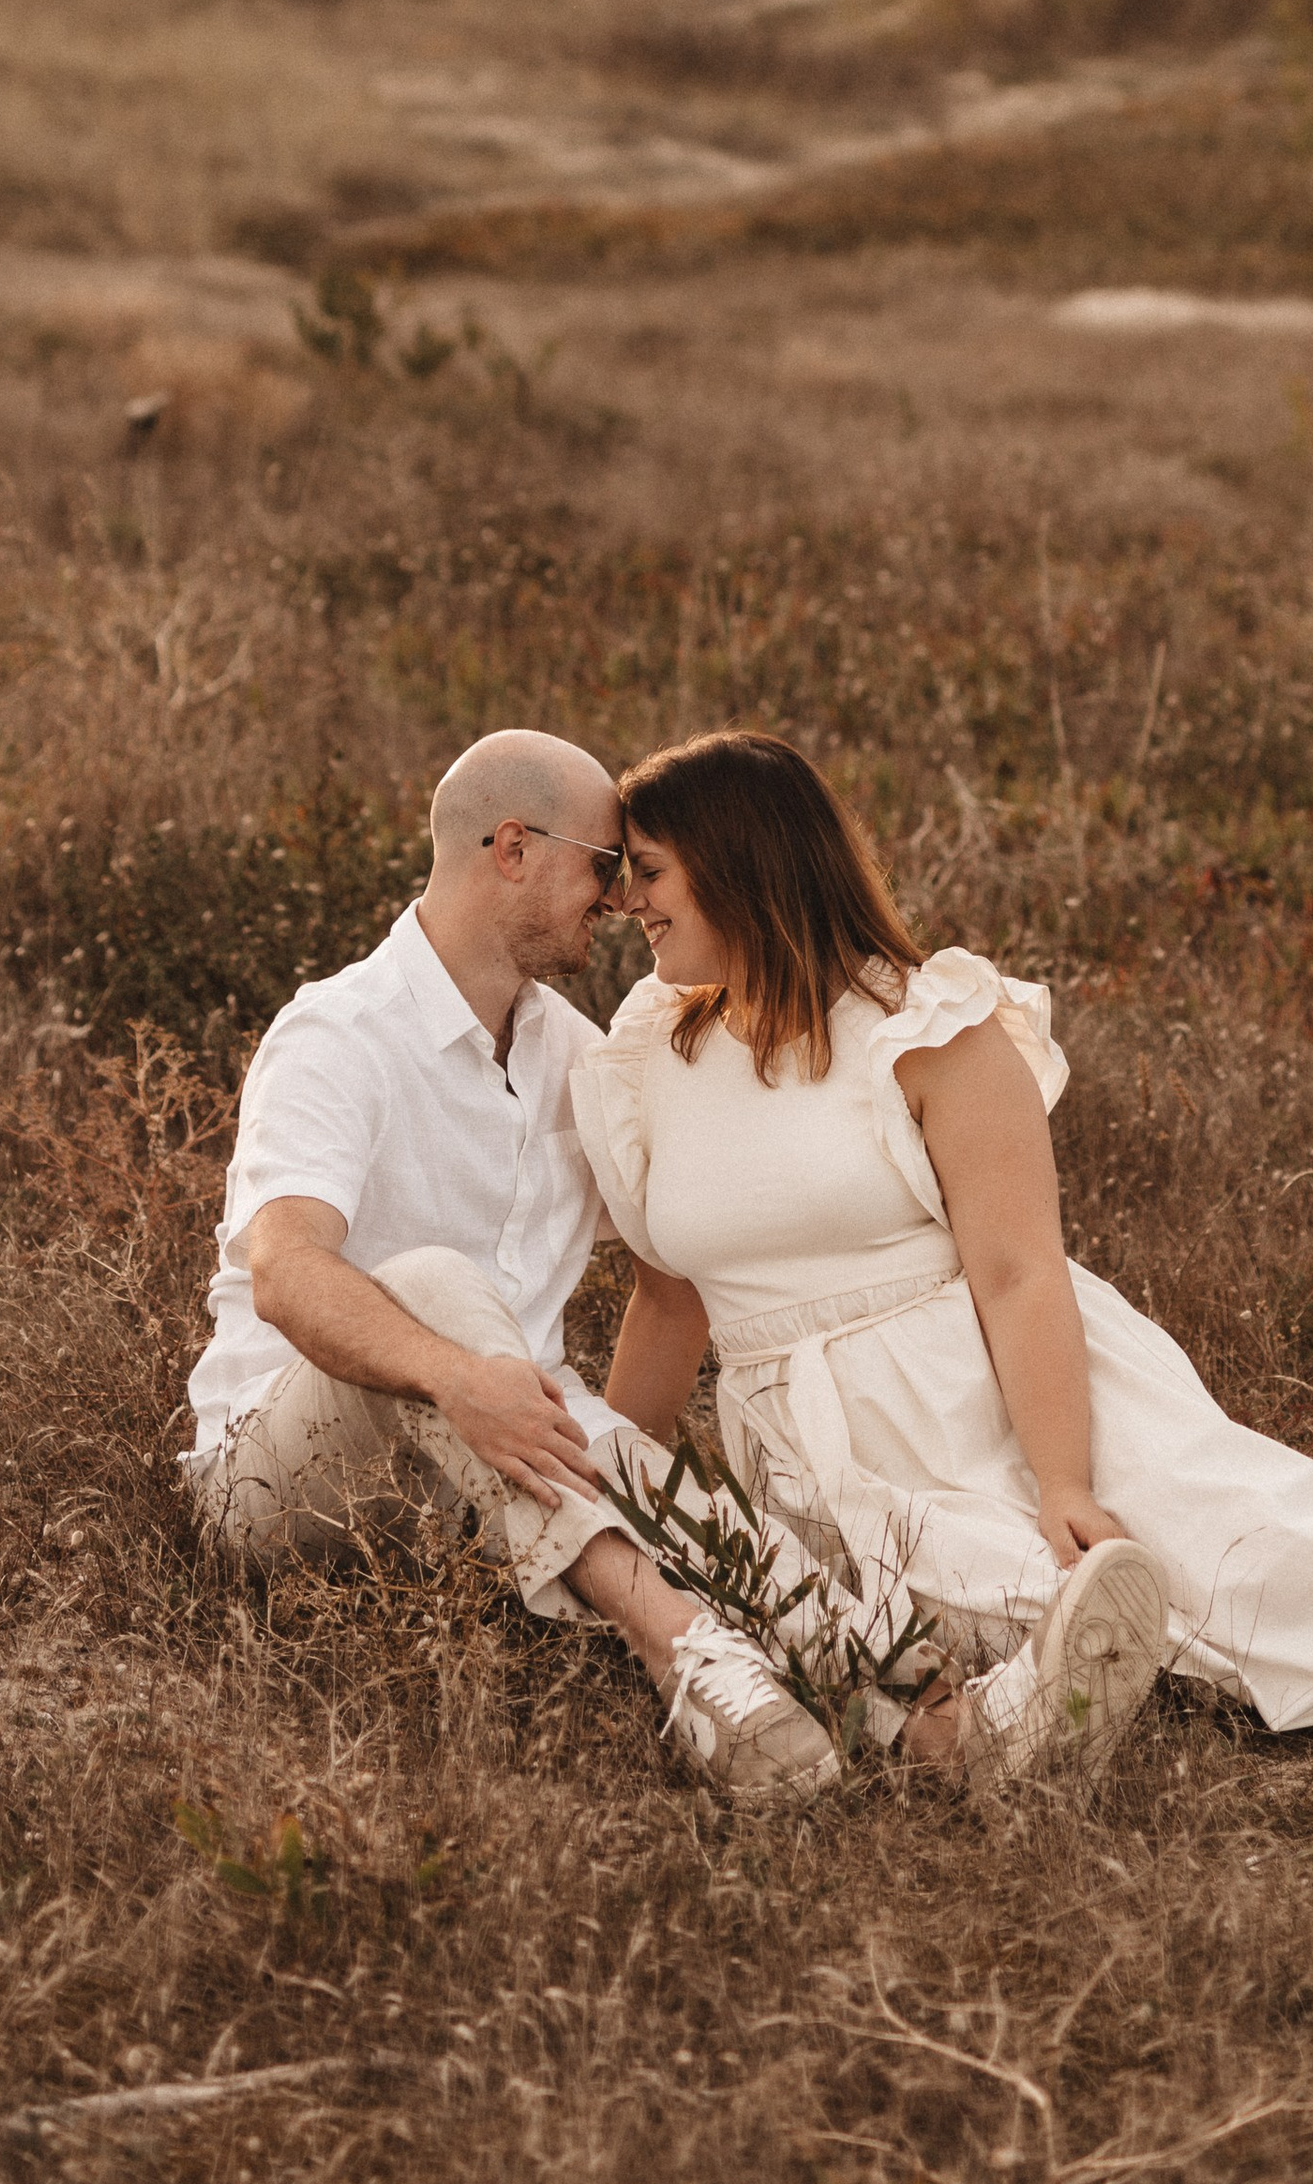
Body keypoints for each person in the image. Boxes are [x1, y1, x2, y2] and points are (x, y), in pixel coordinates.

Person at [572, 729, 1313, 1780]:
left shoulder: (924, 1028)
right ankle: (1052, 1702)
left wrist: (1062, 1481)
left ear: (742, 863)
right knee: (989, 1622)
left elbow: (1018, 1273)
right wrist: (603, 1490)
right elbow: (669, 1299)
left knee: (1251, 1575)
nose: (627, 901)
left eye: (652, 870)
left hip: (987, 1384)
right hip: (809, 1443)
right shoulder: (649, 1052)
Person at [183, 725, 926, 1810]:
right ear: (515, 850)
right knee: (438, 1293)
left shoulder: (579, 1057)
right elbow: (286, 1272)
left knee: (608, 1442)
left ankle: (926, 1702)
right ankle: (684, 1653)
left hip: (496, 1478)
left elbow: (692, 1257)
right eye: (604, 864)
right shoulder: (337, 1034)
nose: (622, 900)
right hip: (281, 1482)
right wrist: (450, 1377)